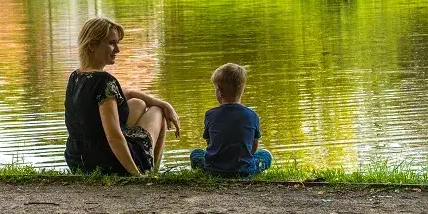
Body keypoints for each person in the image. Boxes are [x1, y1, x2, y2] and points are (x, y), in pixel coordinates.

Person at [64, 16, 180, 175]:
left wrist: (165, 103)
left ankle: (148, 168)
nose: (118, 50)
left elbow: (129, 93)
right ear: (91, 45)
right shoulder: (104, 81)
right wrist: (135, 175)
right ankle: (150, 173)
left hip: (78, 162)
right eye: (112, 43)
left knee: (137, 103)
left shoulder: (75, 77)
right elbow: (113, 137)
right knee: (157, 112)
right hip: (107, 165)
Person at [189, 63, 272, 177]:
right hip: (244, 171)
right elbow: (253, 148)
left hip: (213, 171)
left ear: (219, 91)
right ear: (243, 90)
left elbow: (210, 144)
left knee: (196, 154)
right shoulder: (253, 116)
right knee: (265, 155)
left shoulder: (210, 115)